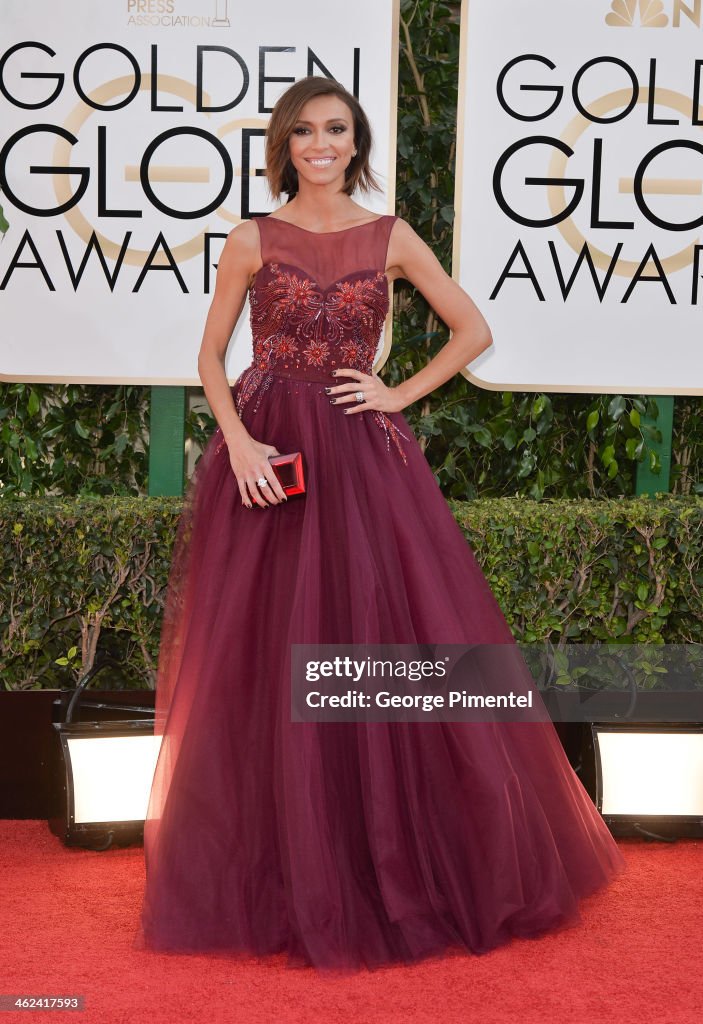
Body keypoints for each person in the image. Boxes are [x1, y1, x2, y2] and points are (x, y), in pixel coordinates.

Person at [134, 75, 626, 974]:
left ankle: (391, 863)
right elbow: (210, 352)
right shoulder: (250, 238)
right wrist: (238, 441)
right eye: (304, 132)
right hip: (269, 461)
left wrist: (396, 392)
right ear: (284, 145)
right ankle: (281, 871)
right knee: (260, 663)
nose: (320, 144)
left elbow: (470, 329)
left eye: (336, 130)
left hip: (364, 462)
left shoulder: (391, 235)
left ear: (354, 143)